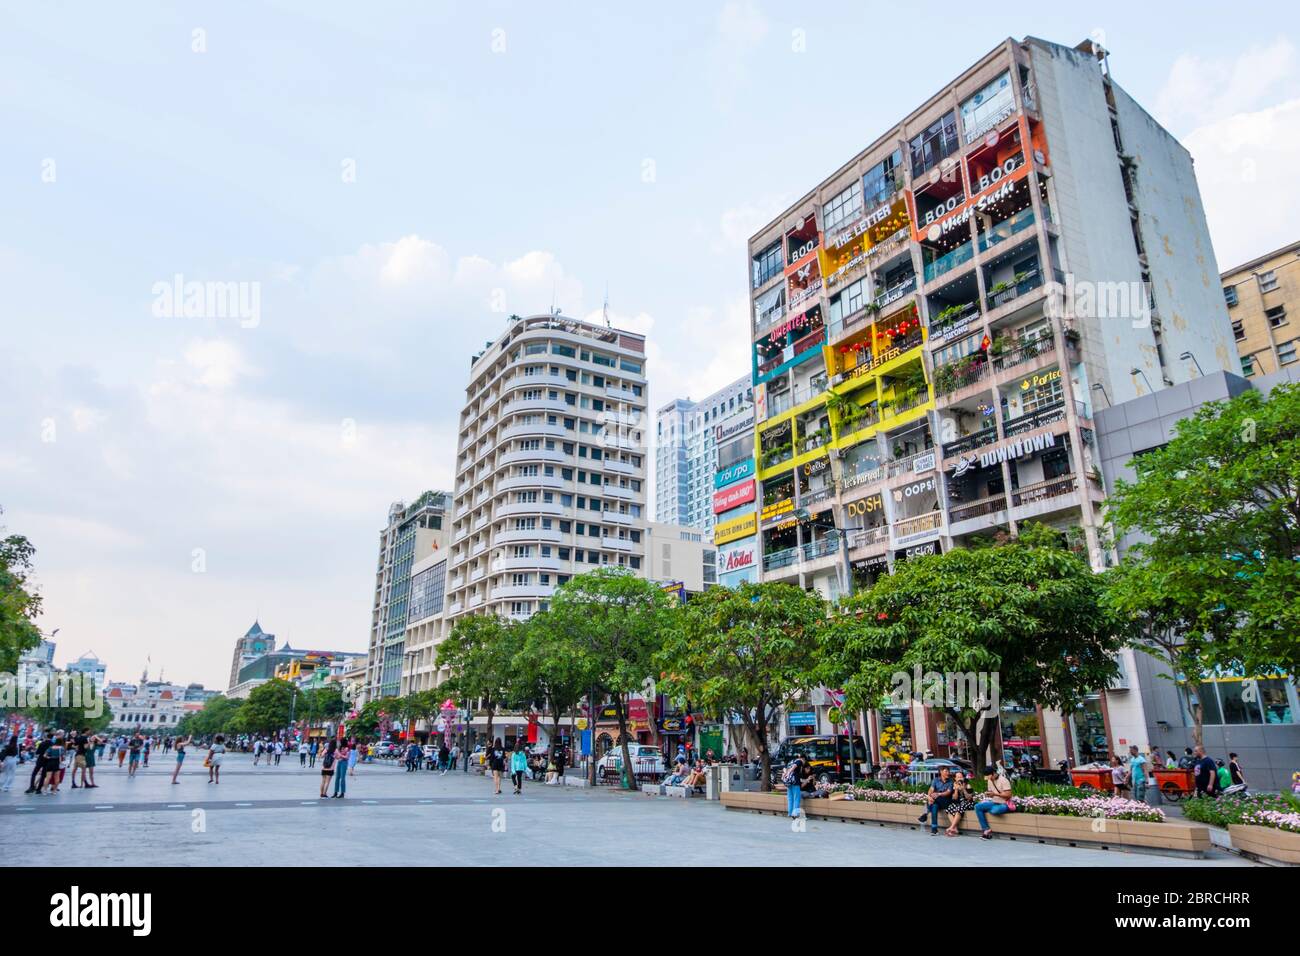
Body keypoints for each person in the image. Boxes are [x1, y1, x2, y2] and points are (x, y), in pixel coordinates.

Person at [974, 764, 1014, 840]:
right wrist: (989, 794)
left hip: (1004, 804)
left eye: (989, 776)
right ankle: (986, 829)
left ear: (993, 773)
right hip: (994, 802)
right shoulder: (989, 780)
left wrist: (995, 794)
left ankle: (992, 809)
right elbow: (991, 793)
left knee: (995, 810)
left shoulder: (1003, 780)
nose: (989, 779)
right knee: (977, 806)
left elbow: (1008, 795)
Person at [920, 767, 955, 835]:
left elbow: (948, 792)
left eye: (948, 771)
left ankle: (925, 814)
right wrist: (929, 797)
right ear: (941, 772)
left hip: (946, 801)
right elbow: (931, 789)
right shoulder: (935, 780)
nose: (948, 773)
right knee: (934, 806)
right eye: (946, 771)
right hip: (936, 801)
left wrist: (938, 794)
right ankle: (934, 830)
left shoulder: (951, 781)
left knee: (935, 799)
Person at [945, 771, 976, 836]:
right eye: (958, 777)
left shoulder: (967, 785)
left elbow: (969, 798)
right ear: (955, 778)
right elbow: (954, 798)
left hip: (968, 803)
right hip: (958, 803)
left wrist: (963, 789)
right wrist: (956, 790)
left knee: (959, 808)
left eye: (961, 777)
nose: (959, 778)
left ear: (963, 778)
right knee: (949, 808)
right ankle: (955, 828)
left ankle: (951, 828)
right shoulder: (954, 785)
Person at [782, 754, 811, 819]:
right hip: (795, 782)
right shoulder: (799, 761)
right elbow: (794, 766)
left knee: (790, 798)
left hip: (789, 782)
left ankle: (790, 813)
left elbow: (784, 768)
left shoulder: (791, 762)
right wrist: (789, 772)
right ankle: (795, 814)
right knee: (796, 798)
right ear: (803, 759)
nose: (804, 763)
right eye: (805, 761)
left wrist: (786, 774)